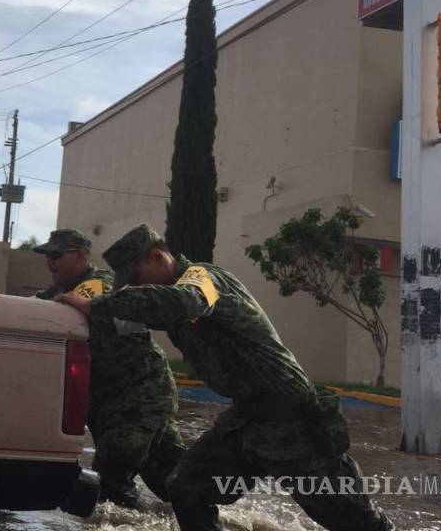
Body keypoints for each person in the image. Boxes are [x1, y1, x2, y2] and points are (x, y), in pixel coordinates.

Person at [55, 224, 393, 531]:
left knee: (352, 519)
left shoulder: (203, 279)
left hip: (290, 417)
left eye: (137, 277)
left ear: (158, 257)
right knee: (186, 487)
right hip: (246, 417)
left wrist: (99, 304)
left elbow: (185, 302)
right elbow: (127, 319)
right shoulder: (161, 300)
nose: (136, 286)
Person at [31, 228, 185, 509]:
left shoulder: (99, 285)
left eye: (56, 255)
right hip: (114, 405)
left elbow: (63, 310)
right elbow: (30, 308)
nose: (49, 263)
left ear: (80, 256)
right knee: (177, 485)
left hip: (140, 399)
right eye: (46, 256)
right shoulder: (59, 291)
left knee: (106, 490)